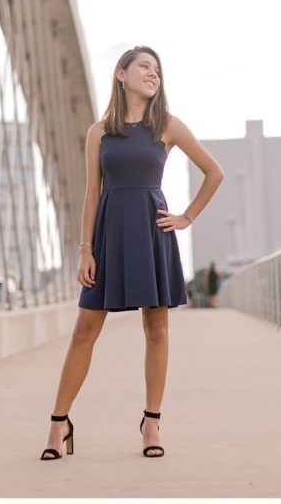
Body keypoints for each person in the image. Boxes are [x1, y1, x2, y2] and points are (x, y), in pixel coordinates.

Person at [39, 46, 224, 460]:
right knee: (84, 329)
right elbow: (92, 194)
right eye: (144, 67)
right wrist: (85, 249)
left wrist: (187, 217)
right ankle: (59, 423)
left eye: (157, 70)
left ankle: (152, 422)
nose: (153, 74)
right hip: (108, 235)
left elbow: (214, 173)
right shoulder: (99, 131)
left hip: (151, 233)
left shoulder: (168, 126)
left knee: (156, 328)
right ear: (121, 74)